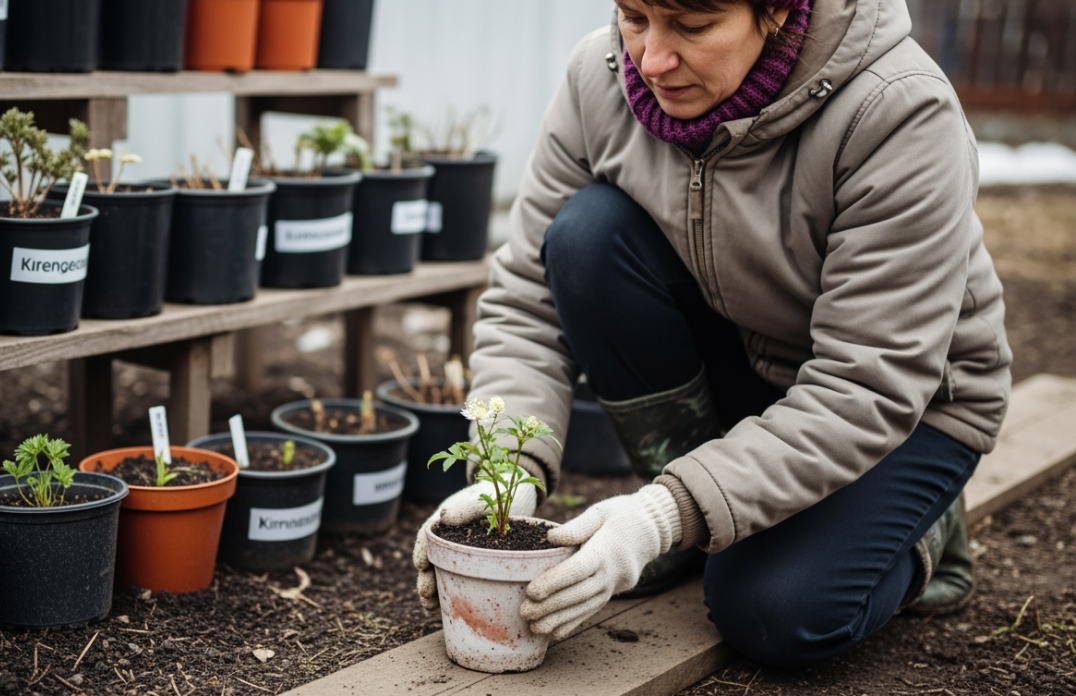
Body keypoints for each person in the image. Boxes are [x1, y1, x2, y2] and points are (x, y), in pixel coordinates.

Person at [413, 0, 1011, 668]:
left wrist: (661, 515)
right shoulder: (600, 74)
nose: (650, 59)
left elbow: (868, 380)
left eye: (692, 28)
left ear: (779, 12)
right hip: (745, 360)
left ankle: (922, 530)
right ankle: (703, 515)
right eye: (634, 15)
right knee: (586, 237)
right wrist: (506, 472)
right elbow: (527, 297)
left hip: (900, 408)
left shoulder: (898, 111)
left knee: (773, 613)